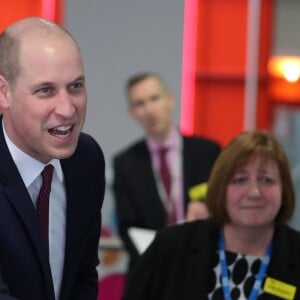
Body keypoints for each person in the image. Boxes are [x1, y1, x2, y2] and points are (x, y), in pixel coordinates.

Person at [122, 130, 300, 300]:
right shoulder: (170, 247)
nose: (254, 192)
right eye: (240, 180)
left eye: (266, 180)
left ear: (284, 190)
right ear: (220, 188)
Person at [0, 17, 105, 300]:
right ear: (4, 93)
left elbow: (83, 275)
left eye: (75, 87)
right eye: (45, 90)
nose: (67, 109)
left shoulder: (87, 160)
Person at [112, 72, 221, 270]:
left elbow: (225, 206)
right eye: (140, 103)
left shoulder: (207, 152)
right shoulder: (126, 163)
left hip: (203, 263)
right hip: (151, 268)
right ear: (132, 113)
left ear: (169, 99)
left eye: (155, 98)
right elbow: (126, 226)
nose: (150, 110)